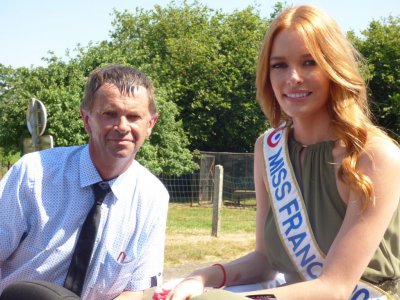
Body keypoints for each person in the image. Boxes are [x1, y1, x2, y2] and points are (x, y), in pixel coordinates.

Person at [167, 5, 400, 300]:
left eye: (309, 62)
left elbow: (336, 288)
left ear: (334, 68)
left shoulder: (374, 156)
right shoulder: (268, 148)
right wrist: (202, 277)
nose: (292, 77)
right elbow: (265, 261)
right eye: (279, 65)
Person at [0, 64, 170, 300]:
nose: (122, 127)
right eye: (110, 114)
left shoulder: (152, 197)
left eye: (134, 116)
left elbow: (134, 290)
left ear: (150, 124)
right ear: (86, 119)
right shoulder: (33, 174)